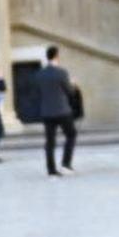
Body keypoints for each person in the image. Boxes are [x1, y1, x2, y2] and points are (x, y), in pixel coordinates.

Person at [34, 46, 77, 176]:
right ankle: (66, 164)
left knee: (50, 142)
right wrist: (73, 84)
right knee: (71, 135)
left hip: (47, 112)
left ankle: (51, 169)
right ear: (57, 56)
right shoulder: (62, 72)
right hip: (62, 111)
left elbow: (38, 93)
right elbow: (70, 92)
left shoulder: (40, 74)